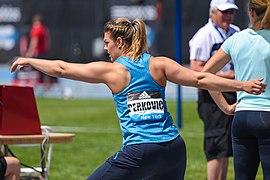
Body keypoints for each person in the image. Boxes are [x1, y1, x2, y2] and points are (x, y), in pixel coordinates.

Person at [10, 18, 266, 180]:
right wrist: (241, 84)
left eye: (108, 43)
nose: (106, 48)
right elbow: (201, 79)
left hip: (141, 151)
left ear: (120, 41)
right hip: (175, 149)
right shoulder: (159, 64)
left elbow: (63, 68)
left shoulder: (114, 71)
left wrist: (30, 60)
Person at [202, 0, 270, 179]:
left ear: (251, 12)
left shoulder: (235, 39)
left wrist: (225, 106)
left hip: (242, 118)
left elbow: (205, 75)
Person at [189, 0, 239, 179]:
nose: (228, 16)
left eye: (231, 12)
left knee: (226, 146)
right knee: (215, 144)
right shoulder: (204, 35)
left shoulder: (236, 32)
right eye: (224, 12)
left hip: (233, 93)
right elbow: (196, 70)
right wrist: (229, 77)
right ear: (213, 12)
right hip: (212, 96)